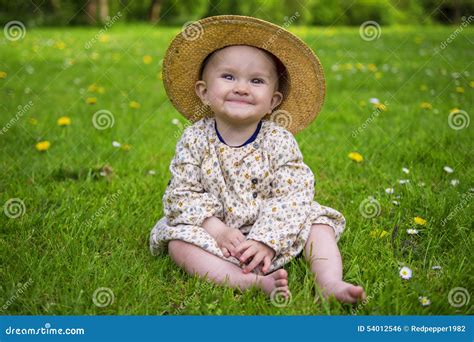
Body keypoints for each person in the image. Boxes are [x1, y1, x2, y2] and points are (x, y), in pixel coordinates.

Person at [150, 15, 366, 303]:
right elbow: (181, 194)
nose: (241, 87)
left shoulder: (278, 140)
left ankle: (329, 282)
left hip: (273, 225)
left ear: (273, 101)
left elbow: (294, 194)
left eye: (256, 80)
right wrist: (216, 229)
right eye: (228, 77)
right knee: (178, 241)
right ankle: (244, 280)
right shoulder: (194, 139)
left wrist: (268, 239)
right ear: (203, 92)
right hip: (217, 229)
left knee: (318, 224)